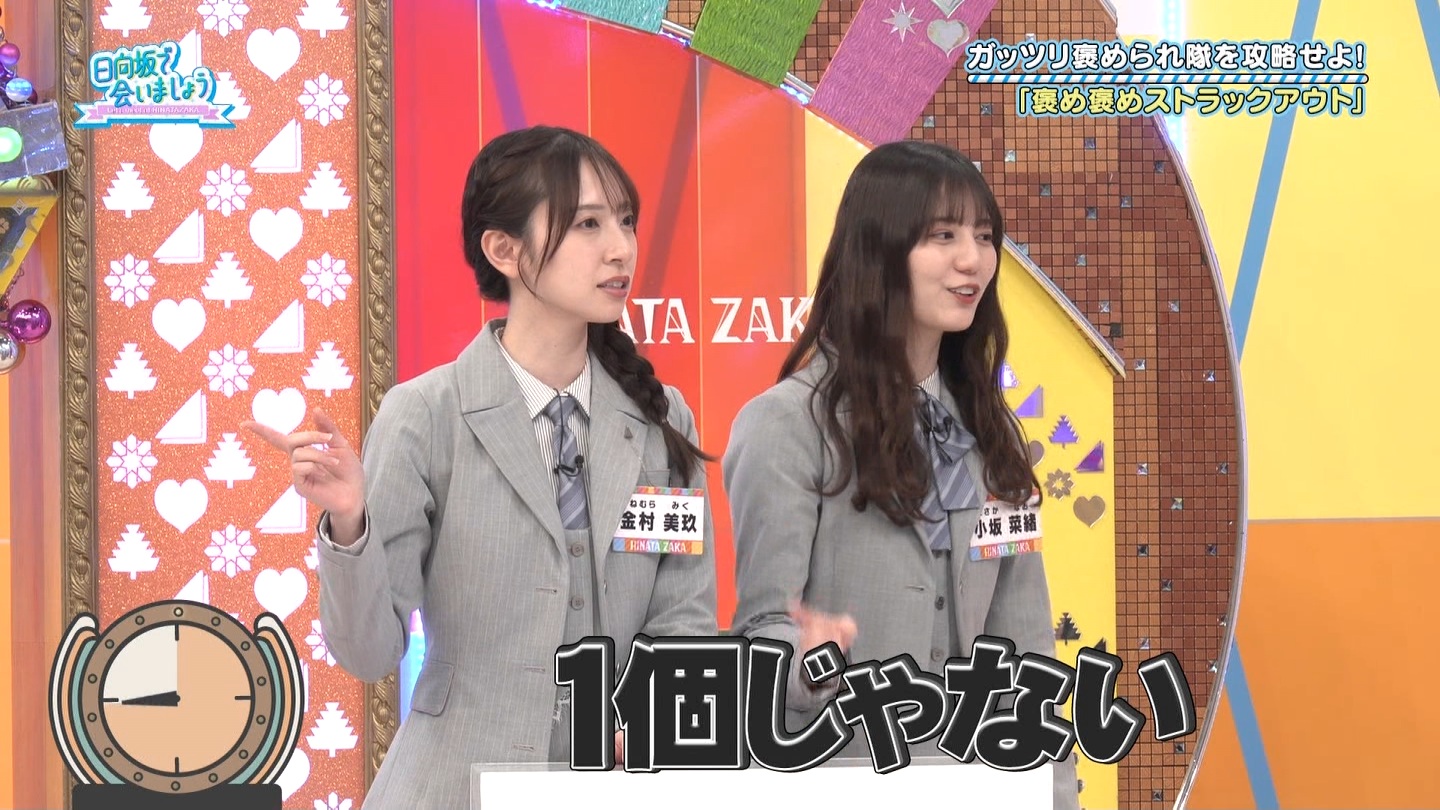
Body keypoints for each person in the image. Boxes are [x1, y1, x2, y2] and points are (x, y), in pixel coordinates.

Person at [245, 125, 719, 809]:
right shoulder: (425, 414)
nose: (620, 247)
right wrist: (349, 522)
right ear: (504, 249)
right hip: (451, 788)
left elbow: (682, 619)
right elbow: (369, 654)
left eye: (626, 220)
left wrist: (650, 723)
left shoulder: (661, 422)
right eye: (588, 224)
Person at [724, 140, 1079, 808]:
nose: (972, 259)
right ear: (880, 249)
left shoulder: (992, 435)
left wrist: (1056, 799)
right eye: (942, 236)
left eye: (983, 235)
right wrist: (809, 661)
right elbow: (759, 635)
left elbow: (1026, 647)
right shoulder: (786, 426)